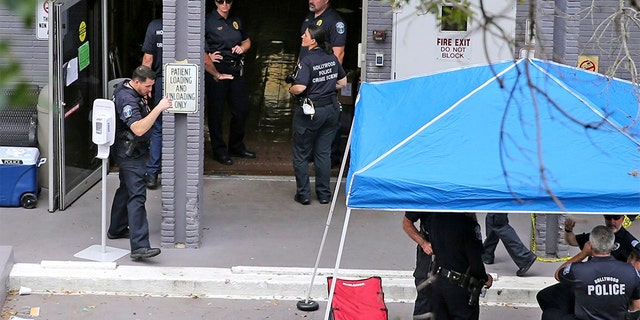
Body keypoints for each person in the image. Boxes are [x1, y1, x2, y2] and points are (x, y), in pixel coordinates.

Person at [109, 65, 171, 260]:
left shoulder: (128, 88)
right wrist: (159, 108)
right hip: (129, 152)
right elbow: (138, 128)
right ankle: (140, 247)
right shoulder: (127, 99)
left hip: (131, 149)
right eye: (148, 87)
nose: (150, 91)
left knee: (126, 189)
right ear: (136, 82)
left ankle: (117, 228)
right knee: (137, 195)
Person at [537, 214, 640, 319]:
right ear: (611, 245)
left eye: (616, 218)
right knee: (547, 295)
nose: (612, 221)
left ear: (590, 245)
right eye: (608, 218)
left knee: (549, 315)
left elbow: (559, 274)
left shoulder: (578, 270)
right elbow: (636, 307)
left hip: (589, 288)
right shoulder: (631, 272)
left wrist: (583, 254)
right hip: (613, 302)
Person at [288, 25, 346, 205]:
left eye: (305, 35)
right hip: (331, 110)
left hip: (311, 112)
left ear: (313, 40)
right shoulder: (331, 57)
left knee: (301, 153)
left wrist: (291, 89)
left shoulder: (306, 60)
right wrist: (326, 88)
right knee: (323, 153)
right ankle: (324, 195)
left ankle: (304, 195)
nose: (302, 36)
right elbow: (342, 82)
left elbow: (301, 87)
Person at [204, 0, 256, 165]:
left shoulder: (236, 20)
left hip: (235, 70)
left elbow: (247, 40)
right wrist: (207, 57)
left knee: (241, 110)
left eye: (228, 1)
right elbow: (196, 45)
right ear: (215, 2)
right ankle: (219, 151)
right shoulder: (207, 21)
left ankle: (236, 146)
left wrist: (243, 48)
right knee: (216, 113)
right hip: (216, 71)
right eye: (221, 1)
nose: (224, 4)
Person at [299, 0, 347, 168]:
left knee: (329, 118)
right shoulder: (308, 18)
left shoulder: (335, 21)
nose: (311, 0)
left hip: (324, 82)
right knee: (310, 117)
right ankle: (314, 154)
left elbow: (338, 54)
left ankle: (332, 157)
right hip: (309, 80)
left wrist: (327, 80)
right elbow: (304, 50)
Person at [428, 212, 493, 320]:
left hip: (438, 281)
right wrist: (485, 278)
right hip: (460, 287)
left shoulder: (435, 217)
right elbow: (475, 263)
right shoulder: (468, 225)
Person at [141, 18, 163, 189]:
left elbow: (148, 60)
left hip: (161, 81)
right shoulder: (189, 21)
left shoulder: (155, 26)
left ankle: (153, 173)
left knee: (158, 127)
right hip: (186, 80)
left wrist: (144, 88)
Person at [402, 211, 433, 317]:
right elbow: (406, 223)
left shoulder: (458, 196)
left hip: (454, 254)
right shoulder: (424, 196)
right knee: (425, 295)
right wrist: (423, 243)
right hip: (430, 256)